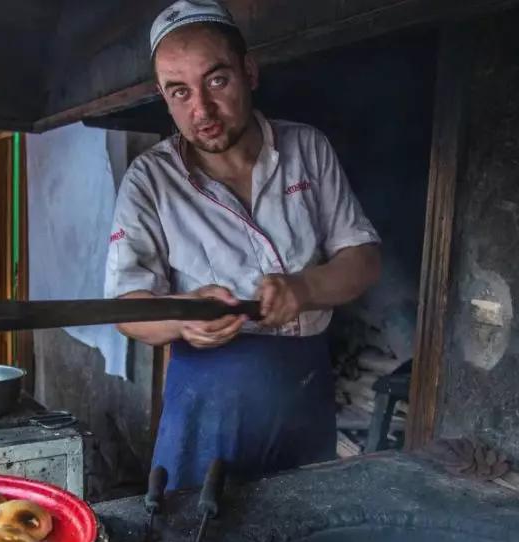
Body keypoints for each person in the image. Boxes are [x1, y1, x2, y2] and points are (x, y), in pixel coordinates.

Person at [104, 0, 382, 490]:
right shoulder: (150, 179)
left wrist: (304, 287)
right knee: (193, 541)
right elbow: (127, 308)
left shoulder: (307, 149)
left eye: (217, 81)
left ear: (249, 71)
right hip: (207, 394)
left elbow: (363, 259)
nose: (202, 110)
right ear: (164, 98)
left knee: (303, 538)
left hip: (305, 385)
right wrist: (183, 315)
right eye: (179, 92)